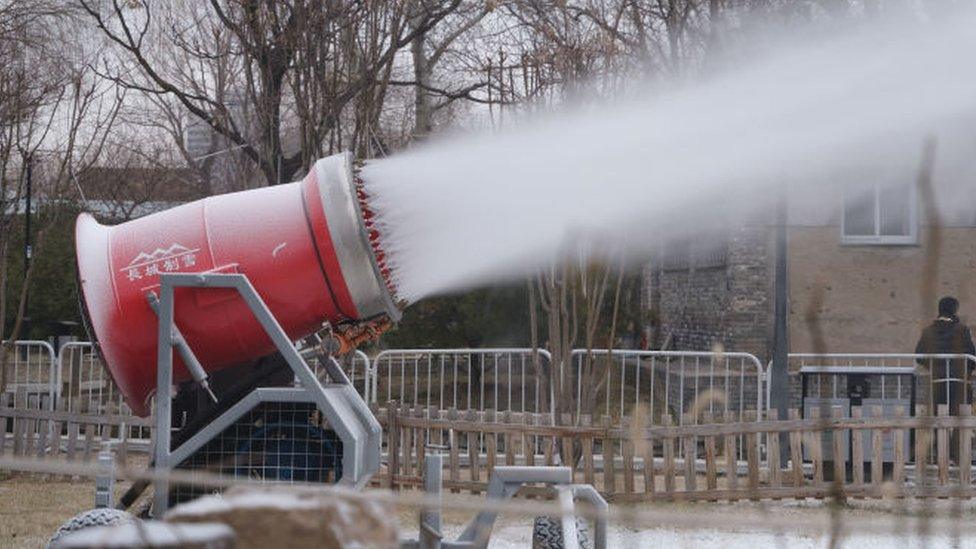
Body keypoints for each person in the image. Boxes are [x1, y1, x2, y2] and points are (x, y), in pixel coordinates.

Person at [915, 296, 976, 414]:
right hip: (960, 384)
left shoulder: (928, 331)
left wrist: (933, 365)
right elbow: (971, 355)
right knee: (960, 425)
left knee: (939, 422)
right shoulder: (962, 331)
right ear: (955, 310)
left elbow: (920, 356)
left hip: (937, 384)